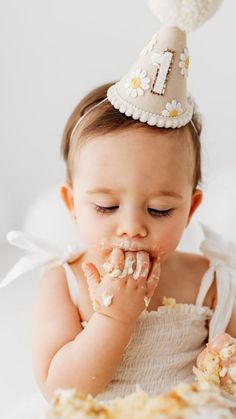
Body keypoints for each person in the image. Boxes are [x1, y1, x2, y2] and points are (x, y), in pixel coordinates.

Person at [2, 0, 236, 416]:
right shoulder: (65, 281)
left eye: (160, 210)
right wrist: (114, 320)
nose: (131, 228)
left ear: (191, 208)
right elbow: (59, 392)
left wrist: (224, 362)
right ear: (72, 205)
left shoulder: (210, 280)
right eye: (106, 206)